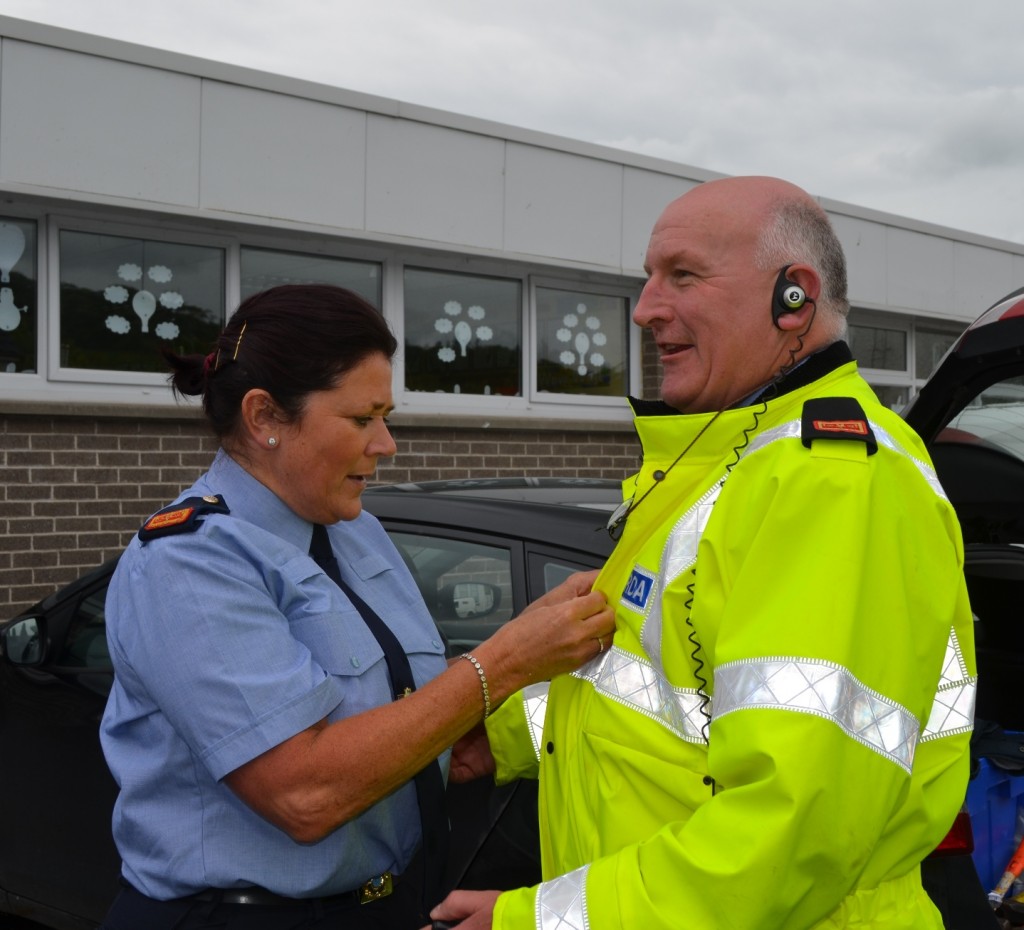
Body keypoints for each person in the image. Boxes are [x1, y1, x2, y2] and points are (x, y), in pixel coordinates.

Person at [427, 177, 976, 930]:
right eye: (649, 279)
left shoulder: (832, 481)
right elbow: (657, 694)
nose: (647, 309)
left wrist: (532, 921)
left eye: (683, 276)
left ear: (795, 298)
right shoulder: (733, 460)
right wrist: (496, 735)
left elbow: (788, 828)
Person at [97, 284, 615, 930]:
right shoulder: (187, 562)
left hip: (388, 901)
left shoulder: (352, 528)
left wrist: (464, 739)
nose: (386, 443)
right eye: (361, 419)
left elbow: (398, 696)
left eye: (386, 416)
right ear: (264, 419)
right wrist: (503, 661)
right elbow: (303, 792)